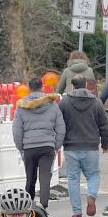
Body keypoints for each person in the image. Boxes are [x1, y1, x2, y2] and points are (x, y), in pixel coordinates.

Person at [59, 76, 108, 217]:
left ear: (72, 86)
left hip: (70, 147)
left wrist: (58, 142)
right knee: (93, 175)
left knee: (73, 179)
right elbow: (104, 126)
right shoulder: (96, 103)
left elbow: (59, 124)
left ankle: (77, 211)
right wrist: (105, 144)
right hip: (91, 146)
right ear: (86, 85)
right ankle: (91, 196)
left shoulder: (65, 103)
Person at [12, 77, 65, 209]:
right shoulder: (52, 105)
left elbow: (17, 130)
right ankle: (43, 205)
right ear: (42, 87)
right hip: (47, 146)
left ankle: (28, 205)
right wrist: (56, 146)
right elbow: (60, 127)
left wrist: (21, 148)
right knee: (45, 177)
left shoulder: (22, 107)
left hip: (29, 147)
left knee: (30, 177)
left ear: (29, 89)